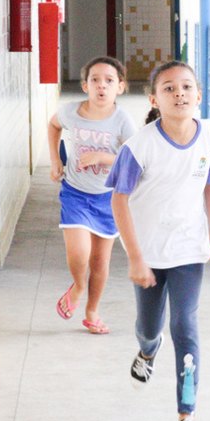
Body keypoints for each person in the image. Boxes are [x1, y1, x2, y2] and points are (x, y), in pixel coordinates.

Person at [106, 61, 210, 421]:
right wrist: (134, 257)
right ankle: (148, 349)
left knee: (186, 323)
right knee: (150, 326)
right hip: (146, 252)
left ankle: (187, 413)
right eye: (168, 88)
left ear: (198, 95)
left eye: (186, 87)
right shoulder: (139, 146)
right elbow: (119, 200)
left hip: (188, 249)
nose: (178, 93)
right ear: (154, 98)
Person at [48, 56, 137, 334]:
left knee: (100, 261)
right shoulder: (71, 111)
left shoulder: (123, 120)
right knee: (79, 252)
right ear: (85, 85)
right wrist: (55, 160)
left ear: (120, 87)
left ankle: (92, 311)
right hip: (75, 192)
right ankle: (78, 286)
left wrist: (104, 156)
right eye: (95, 80)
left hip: (107, 198)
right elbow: (53, 126)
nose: (102, 86)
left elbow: (134, 157)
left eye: (109, 81)